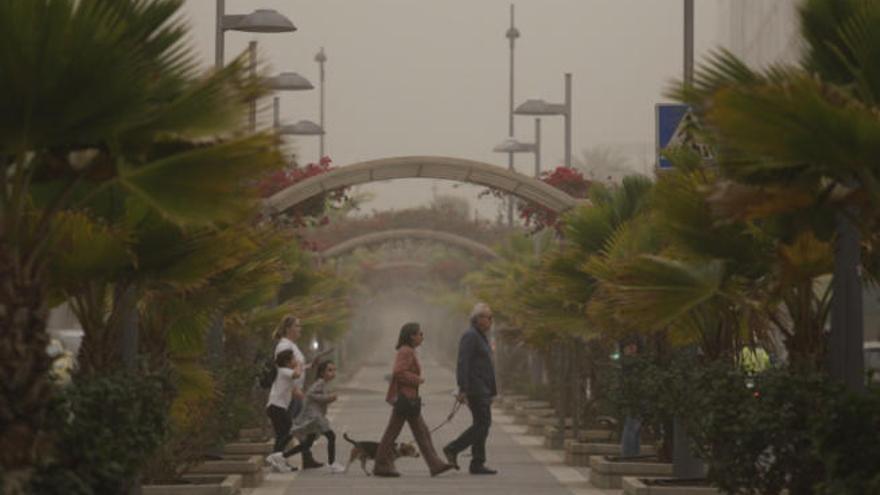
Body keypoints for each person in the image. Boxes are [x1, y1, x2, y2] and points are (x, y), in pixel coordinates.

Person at [373, 322, 455, 477]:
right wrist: (417, 379)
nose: (422, 337)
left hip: (409, 399)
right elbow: (398, 372)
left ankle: (434, 464)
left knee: (420, 432)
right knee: (399, 432)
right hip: (406, 399)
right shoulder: (406, 351)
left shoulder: (409, 350)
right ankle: (382, 464)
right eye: (420, 334)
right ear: (412, 336)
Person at [443, 302, 498, 475]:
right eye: (488, 317)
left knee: (481, 423)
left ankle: (477, 463)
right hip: (475, 387)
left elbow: (485, 364)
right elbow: (462, 362)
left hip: (483, 387)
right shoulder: (470, 336)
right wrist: (462, 388)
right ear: (478, 319)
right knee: (483, 423)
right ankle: (453, 448)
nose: (491, 321)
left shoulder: (480, 336)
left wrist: (492, 390)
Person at [272, 314, 322, 469]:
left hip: (296, 392)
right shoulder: (284, 346)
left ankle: (307, 458)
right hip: (291, 394)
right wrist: (294, 390)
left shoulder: (291, 345)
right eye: (297, 326)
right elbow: (284, 369)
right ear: (288, 329)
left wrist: (309, 366)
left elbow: (296, 367)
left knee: (298, 427)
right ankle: (277, 459)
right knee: (287, 431)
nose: (300, 329)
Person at [287, 360, 346, 473]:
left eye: (334, 370)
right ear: (322, 372)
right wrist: (329, 398)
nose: (332, 373)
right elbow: (311, 394)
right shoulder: (319, 383)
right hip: (315, 416)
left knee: (307, 443)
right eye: (329, 370)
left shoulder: (323, 383)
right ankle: (332, 463)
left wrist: (327, 398)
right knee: (331, 436)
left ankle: (282, 456)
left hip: (315, 416)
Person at [265, 349, 302, 473]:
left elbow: (292, 388)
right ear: (287, 362)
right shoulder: (284, 371)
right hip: (277, 407)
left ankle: (278, 461)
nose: (295, 360)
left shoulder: (284, 372)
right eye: (293, 359)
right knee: (289, 430)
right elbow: (297, 374)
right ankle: (276, 457)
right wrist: (298, 365)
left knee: (282, 434)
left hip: (275, 407)